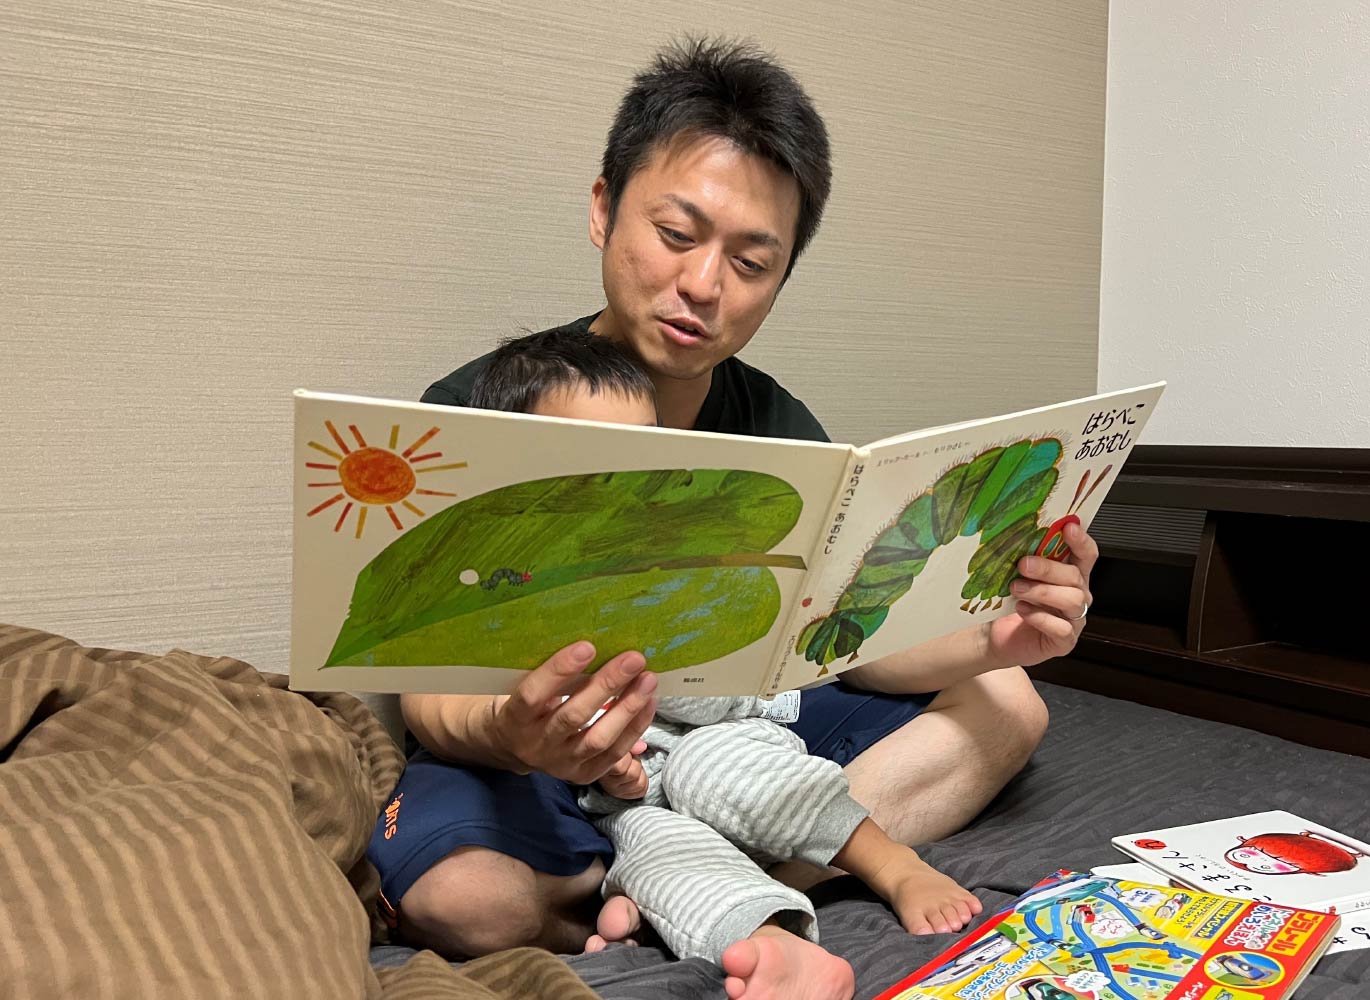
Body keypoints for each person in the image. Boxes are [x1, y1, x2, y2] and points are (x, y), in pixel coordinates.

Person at [367, 37, 1095, 1000]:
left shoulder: (779, 428)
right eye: (677, 234)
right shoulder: (486, 407)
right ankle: (710, 878)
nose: (705, 286)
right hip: (538, 749)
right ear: (603, 209)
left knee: (1008, 699)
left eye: (751, 261)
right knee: (466, 898)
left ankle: (680, 887)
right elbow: (428, 699)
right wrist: (519, 733)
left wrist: (994, 637)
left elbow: (841, 643)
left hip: (724, 736)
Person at [461, 326, 981, 983]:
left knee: (717, 771)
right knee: (654, 847)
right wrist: (612, 768)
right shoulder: (511, 587)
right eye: (591, 462)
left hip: (723, 736)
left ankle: (893, 864)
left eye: (647, 455)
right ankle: (775, 944)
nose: (626, 486)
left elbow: (729, 687)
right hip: (624, 797)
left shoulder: (680, 559)